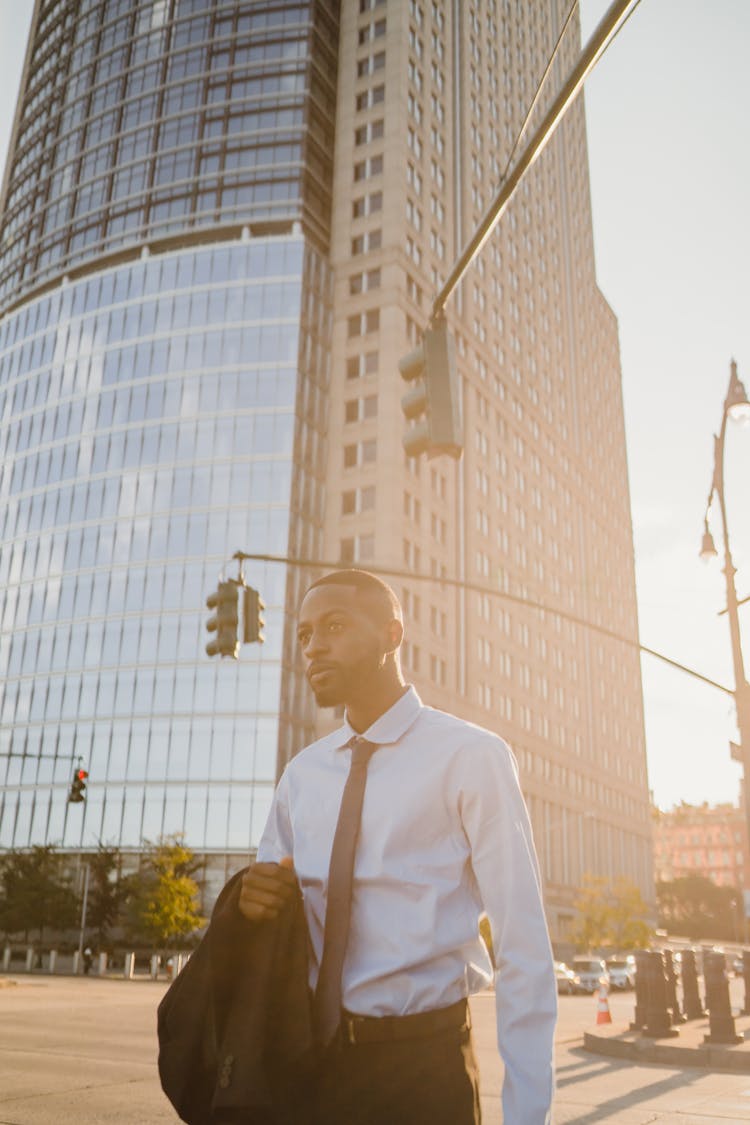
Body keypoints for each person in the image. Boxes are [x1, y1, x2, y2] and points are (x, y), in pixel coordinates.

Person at [239, 569, 557, 1124]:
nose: (314, 647)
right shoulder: (302, 775)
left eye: (334, 626)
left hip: (424, 1072)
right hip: (312, 1068)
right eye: (305, 634)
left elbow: (523, 943)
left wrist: (528, 1115)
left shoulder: (470, 756)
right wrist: (252, 901)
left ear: (393, 634)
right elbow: (275, 920)